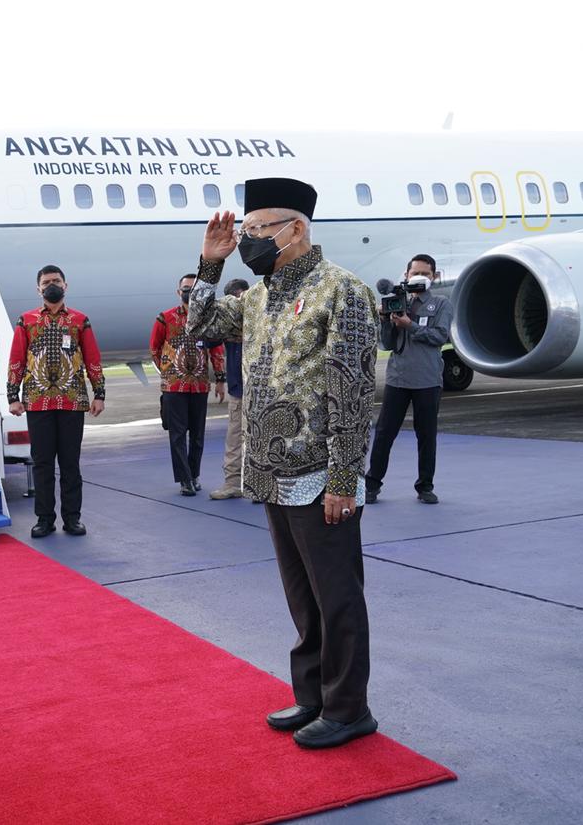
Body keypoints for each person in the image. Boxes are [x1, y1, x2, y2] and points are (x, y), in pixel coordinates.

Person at [187, 177, 379, 750]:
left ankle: (349, 709)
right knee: (302, 595)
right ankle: (314, 695)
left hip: (322, 475)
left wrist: (345, 478)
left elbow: (352, 390)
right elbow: (198, 327)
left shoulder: (341, 291)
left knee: (337, 595)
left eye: (254, 231)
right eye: (243, 233)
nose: (246, 240)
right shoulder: (258, 296)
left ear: (295, 229)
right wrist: (209, 265)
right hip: (271, 472)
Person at [7, 265, 105, 539]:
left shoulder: (79, 320)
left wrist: (99, 394)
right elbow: (16, 359)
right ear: (38, 288)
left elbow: (92, 359)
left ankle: (72, 518)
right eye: (47, 282)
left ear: (66, 285)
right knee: (42, 463)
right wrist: (13, 396)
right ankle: (44, 519)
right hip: (37, 403)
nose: (52, 285)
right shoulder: (26, 321)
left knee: (71, 463)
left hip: (72, 402)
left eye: (57, 281)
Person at [365, 254, 451, 505]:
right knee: (383, 433)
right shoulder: (397, 301)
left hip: (427, 378)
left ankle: (425, 486)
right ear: (406, 275)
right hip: (398, 378)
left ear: (434, 277)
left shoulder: (440, 304)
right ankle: (372, 483)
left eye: (425, 273)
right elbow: (388, 343)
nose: (419, 277)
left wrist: (410, 325)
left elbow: (440, 337)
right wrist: (385, 320)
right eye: (415, 273)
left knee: (426, 435)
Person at [151, 274, 226, 496]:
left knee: (198, 435)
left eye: (192, 288)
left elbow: (216, 351)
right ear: (178, 292)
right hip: (174, 388)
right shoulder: (165, 318)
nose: (188, 292)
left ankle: (194, 474)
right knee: (177, 435)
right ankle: (184, 480)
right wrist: (170, 372)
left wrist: (220, 379)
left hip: (200, 387)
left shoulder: (207, 319)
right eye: (185, 288)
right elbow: (155, 349)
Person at [209, 278, 250, 500]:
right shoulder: (227, 321)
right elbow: (207, 339)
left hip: (258, 387)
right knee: (234, 437)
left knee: (256, 438)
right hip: (238, 388)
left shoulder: (259, 316)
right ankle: (233, 483)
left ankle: (256, 484)